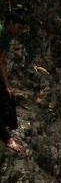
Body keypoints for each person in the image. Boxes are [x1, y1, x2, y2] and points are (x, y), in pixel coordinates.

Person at [0, 16, 25, 154]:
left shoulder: (6, 36)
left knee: (7, 96)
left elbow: (1, 61)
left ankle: (8, 127)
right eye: (19, 27)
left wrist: (7, 85)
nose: (19, 31)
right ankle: (8, 139)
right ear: (10, 23)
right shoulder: (1, 33)